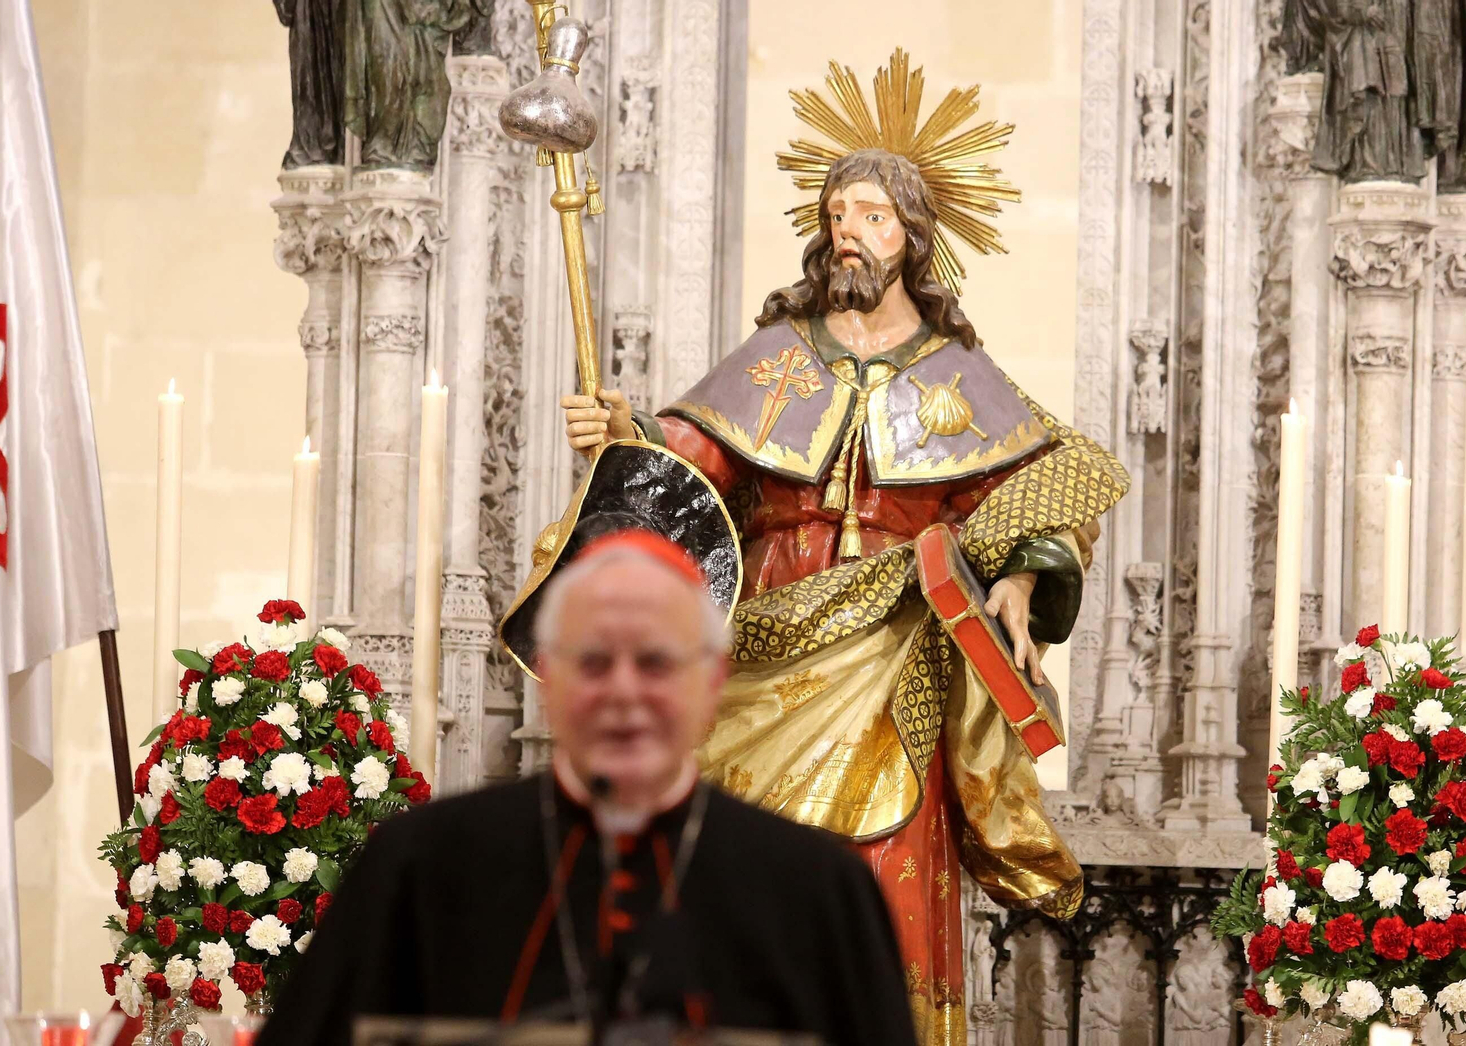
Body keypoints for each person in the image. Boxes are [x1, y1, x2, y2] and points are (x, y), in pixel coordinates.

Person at [553, 75, 1129, 1041]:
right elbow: (691, 466)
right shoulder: (776, 355)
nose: (849, 228)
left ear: (912, 231)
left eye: (871, 212)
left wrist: (1022, 586)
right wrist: (626, 430)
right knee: (733, 849)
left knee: (885, 854)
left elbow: (1047, 487)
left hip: (897, 651)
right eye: (836, 211)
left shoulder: (958, 373)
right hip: (761, 639)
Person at [257, 531, 917, 1045]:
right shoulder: (418, 868)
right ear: (547, 676)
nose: (624, 693)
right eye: (594, 662)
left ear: (712, 681)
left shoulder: (818, 891)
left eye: (656, 662)